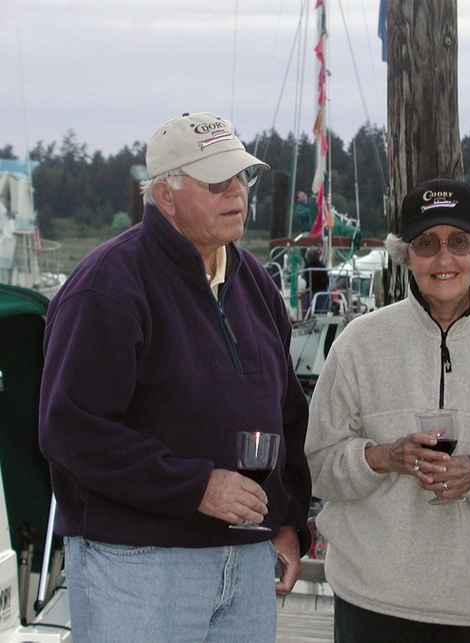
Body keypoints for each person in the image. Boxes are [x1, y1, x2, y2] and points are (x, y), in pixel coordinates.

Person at [38, 112, 312, 641]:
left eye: (242, 177)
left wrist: (288, 521)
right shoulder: (107, 285)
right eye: (217, 182)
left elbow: (288, 416)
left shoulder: (255, 282)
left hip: (249, 561)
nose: (236, 192)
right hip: (140, 566)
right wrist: (196, 487)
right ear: (165, 196)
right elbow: (70, 429)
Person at [305, 178, 470, 642]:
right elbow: (315, 468)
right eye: (426, 243)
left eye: (459, 242)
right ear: (405, 255)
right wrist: (381, 458)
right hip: (372, 601)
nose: (444, 258)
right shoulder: (358, 343)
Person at [302, 245, 330, 313]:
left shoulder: (307, 267)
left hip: (310, 291)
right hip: (321, 292)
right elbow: (325, 281)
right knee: (322, 312)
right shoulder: (322, 267)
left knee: (309, 311)